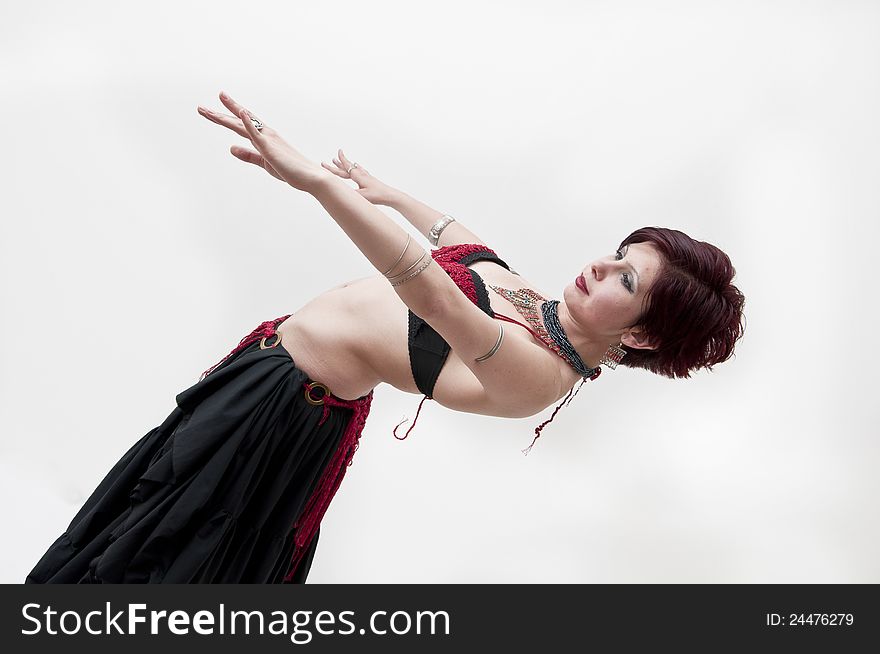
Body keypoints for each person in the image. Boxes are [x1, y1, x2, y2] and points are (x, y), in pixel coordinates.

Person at [24, 92, 745, 584]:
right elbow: (460, 244)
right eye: (621, 252)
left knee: (158, 556)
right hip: (266, 376)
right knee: (134, 526)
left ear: (644, 338)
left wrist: (315, 184)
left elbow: (426, 287)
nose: (601, 265)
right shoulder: (539, 303)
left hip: (277, 418)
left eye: (626, 280)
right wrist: (384, 190)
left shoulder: (538, 373)